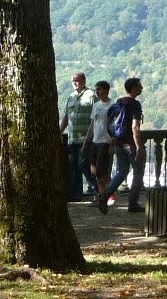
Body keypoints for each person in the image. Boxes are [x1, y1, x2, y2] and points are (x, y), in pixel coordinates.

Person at [106, 77, 146, 213]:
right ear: (134, 87)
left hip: (118, 143)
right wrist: (139, 146)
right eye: (140, 86)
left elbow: (113, 124)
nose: (142, 88)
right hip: (131, 145)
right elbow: (135, 127)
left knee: (121, 172)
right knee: (138, 173)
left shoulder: (119, 102)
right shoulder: (134, 104)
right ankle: (132, 203)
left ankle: (104, 195)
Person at [59, 71, 97, 200]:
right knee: (73, 166)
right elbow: (66, 117)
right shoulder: (70, 97)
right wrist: (60, 131)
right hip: (72, 138)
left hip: (86, 138)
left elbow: (97, 117)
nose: (75, 82)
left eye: (77, 80)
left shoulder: (91, 95)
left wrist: (92, 136)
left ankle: (97, 190)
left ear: (84, 81)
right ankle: (75, 195)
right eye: (73, 80)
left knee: (84, 165)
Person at [84, 80, 114, 213]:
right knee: (94, 171)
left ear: (107, 90)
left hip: (105, 141)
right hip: (95, 141)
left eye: (99, 89)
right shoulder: (96, 105)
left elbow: (115, 125)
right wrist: (86, 141)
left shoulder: (112, 105)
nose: (97, 92)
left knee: (101, 171)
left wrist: (113, 142)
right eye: (96, 90)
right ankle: (105, 195)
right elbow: (92, 124)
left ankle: (106, 195)